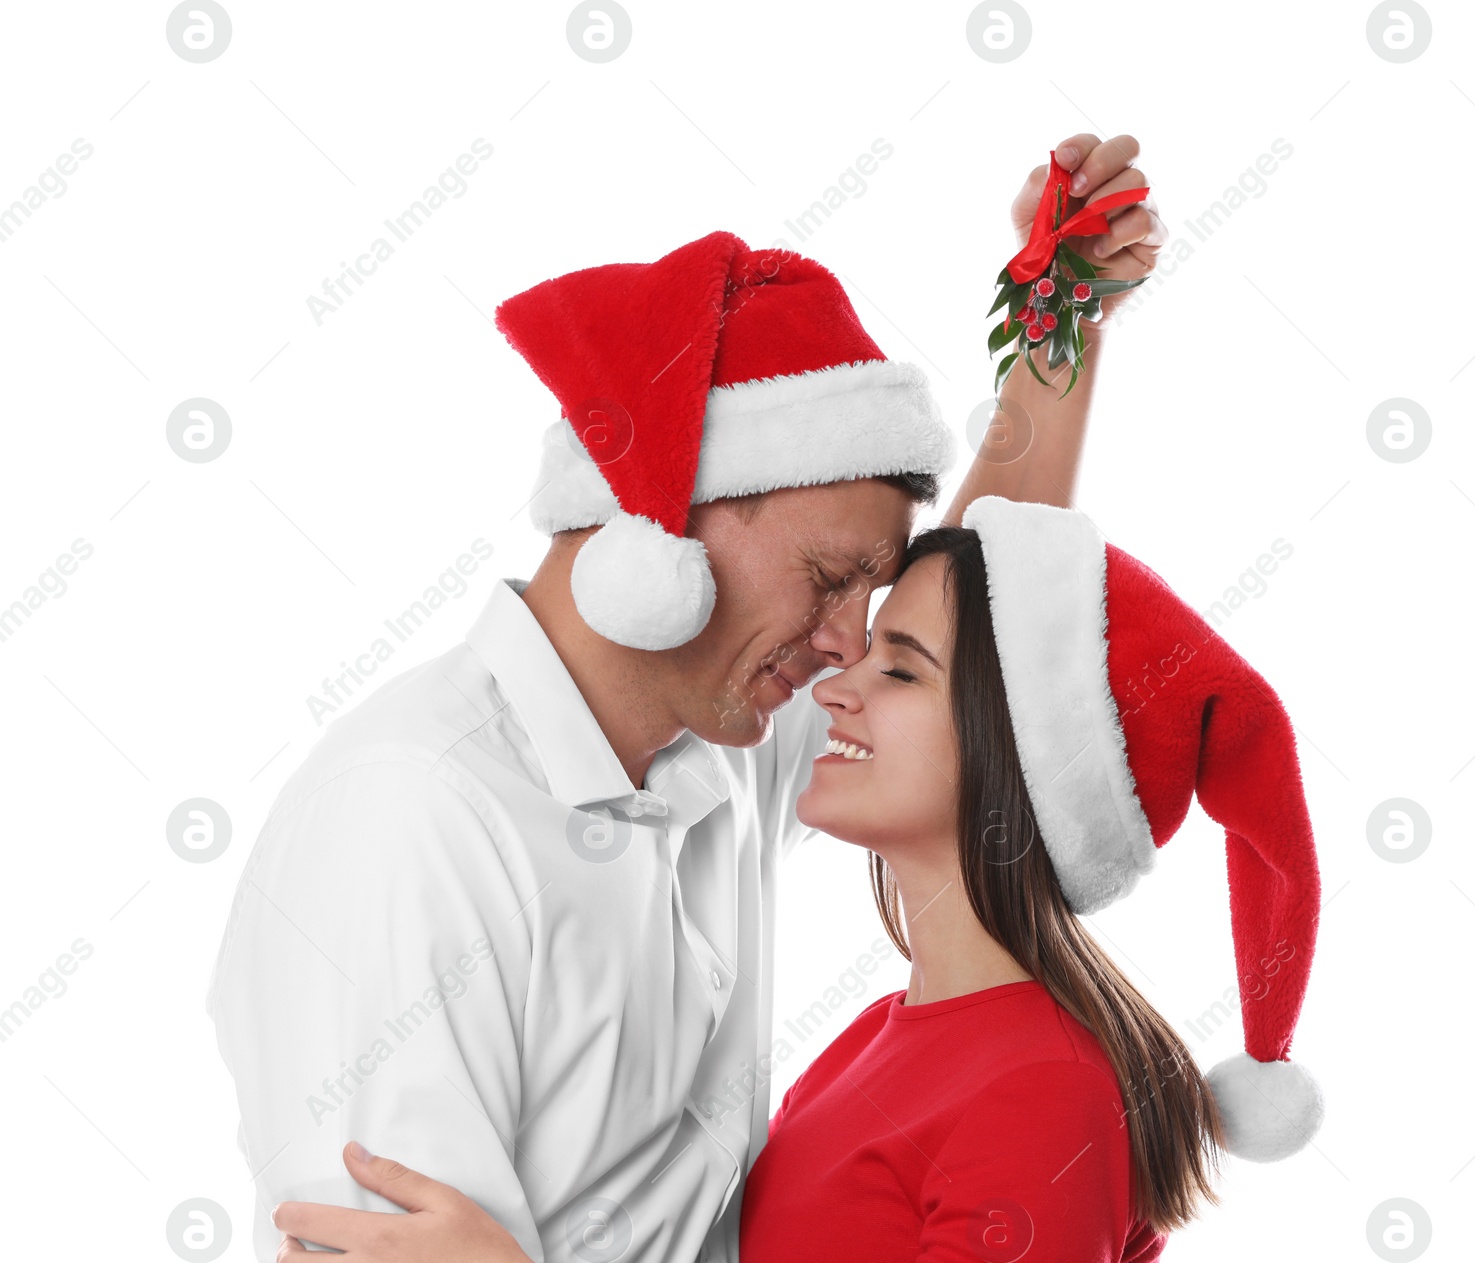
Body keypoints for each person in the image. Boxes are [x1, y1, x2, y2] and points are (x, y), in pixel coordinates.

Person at [208, 135, 1168, 1263]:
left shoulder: (715, 741)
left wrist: (1058, 315)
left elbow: (968, 641)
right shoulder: (416, 823)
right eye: (830, 581)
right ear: (659, 534)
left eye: (870, 606)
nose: (843, 650)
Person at [269, 495, 1326, 1261]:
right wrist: (1055, 314)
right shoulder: (878, 1036)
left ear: (1023, 752)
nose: (834, 689)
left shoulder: (1044, 1090)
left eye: (898, 668)